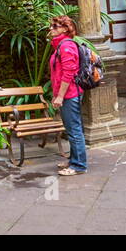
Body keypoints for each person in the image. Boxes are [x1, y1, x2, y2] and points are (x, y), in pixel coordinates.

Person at [48, 15, 86, 176]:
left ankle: (79, 165)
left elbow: (68, 73)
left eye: (55, 26)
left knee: (74, 129)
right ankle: (73, 160)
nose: (51, 29)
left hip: (70, 94)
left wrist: (60, 96)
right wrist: (56, 94)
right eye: (51, 26)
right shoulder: (60, 45)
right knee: (71, 128)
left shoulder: (66, 46)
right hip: (66, 94)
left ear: (65, 29)